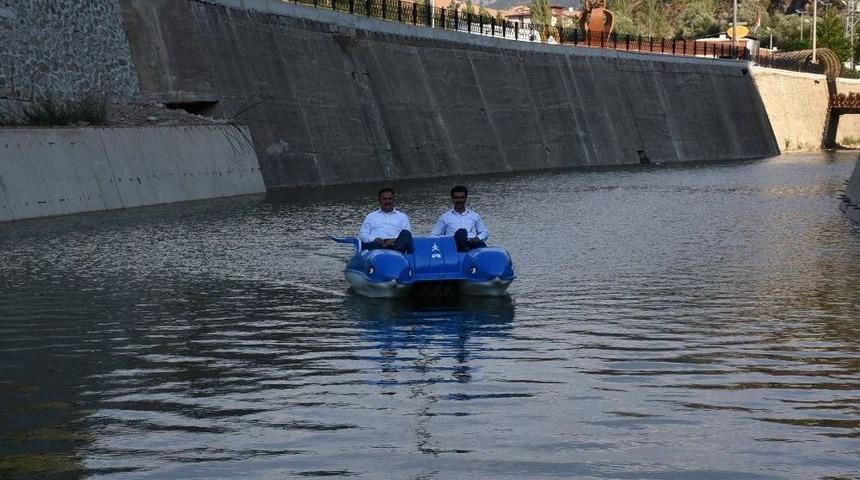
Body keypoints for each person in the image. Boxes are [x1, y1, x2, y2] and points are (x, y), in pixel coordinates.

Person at [431, 185, 488, 252]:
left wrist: (478, 238)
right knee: (462, 232)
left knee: (481, 245)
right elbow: (434, 235)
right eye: (457, 198)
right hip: (453, 245)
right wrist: (444, 242)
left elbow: (484, 232)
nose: (459, 200)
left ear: (466, 198)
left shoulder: (475, 216)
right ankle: (465, 253)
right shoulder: (445, 217)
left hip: (472, 243)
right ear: (452, 199)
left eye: (462, 198)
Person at [358, 187, 413, 253]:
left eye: (390, 199)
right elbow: (362, 235)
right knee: (370, 243)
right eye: (384, 199)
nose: (387, 201)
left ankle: (398, 256)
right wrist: (375, 239)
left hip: (396, 246)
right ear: (379, 200)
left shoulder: (402, 216)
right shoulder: (371, 216)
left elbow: (406, 236)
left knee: (406, 233)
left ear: (393, 200)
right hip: (377, 246)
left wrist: (395, 240)